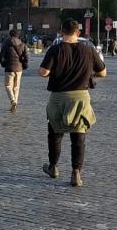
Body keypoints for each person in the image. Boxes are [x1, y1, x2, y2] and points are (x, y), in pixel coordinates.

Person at [38, 18, 107, 187]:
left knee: (55, 134)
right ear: (78, 33)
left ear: (62, 32)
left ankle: (53, 166)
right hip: (81, 97)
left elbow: (43, 72)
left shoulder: (55, 49)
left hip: (59, 97)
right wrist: (88, 76)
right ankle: (76, 173)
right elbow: (103, 72)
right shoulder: (88, 50)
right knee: (79, 137)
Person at [0, 29, 29, 113]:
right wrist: (25, 65)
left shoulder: (6, 44)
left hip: (9, 68)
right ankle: (14, 104)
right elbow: (26, 57)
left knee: (8, 86)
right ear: (17, 35)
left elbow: (1, 57)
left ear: (10, 35)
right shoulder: (22, 44)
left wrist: (3, 64)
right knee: (16, 87)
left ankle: (13, 101)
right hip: (19, 68)